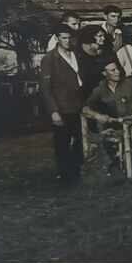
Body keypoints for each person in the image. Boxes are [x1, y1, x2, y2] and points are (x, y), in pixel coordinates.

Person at [82, 59, 132, 180]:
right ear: (104, 73)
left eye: (118, 69)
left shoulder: (130, 84)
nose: (117, 72)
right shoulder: (100, 89)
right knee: (103, 138)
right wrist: (98, 116)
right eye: (113, 70)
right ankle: (115, 172)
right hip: (116, 126)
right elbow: (85, 108)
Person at [40, 25, 86, 184]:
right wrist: (53, 111)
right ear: (57, 38)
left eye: (69, 38)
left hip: (78, 104)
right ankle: (65, 175)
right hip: (62, 106)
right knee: (62, 142)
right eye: (64, 38)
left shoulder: (76, 55)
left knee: (80, 140)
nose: (67, 41)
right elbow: (45, 88)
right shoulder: (50, 59)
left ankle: (78, 170)